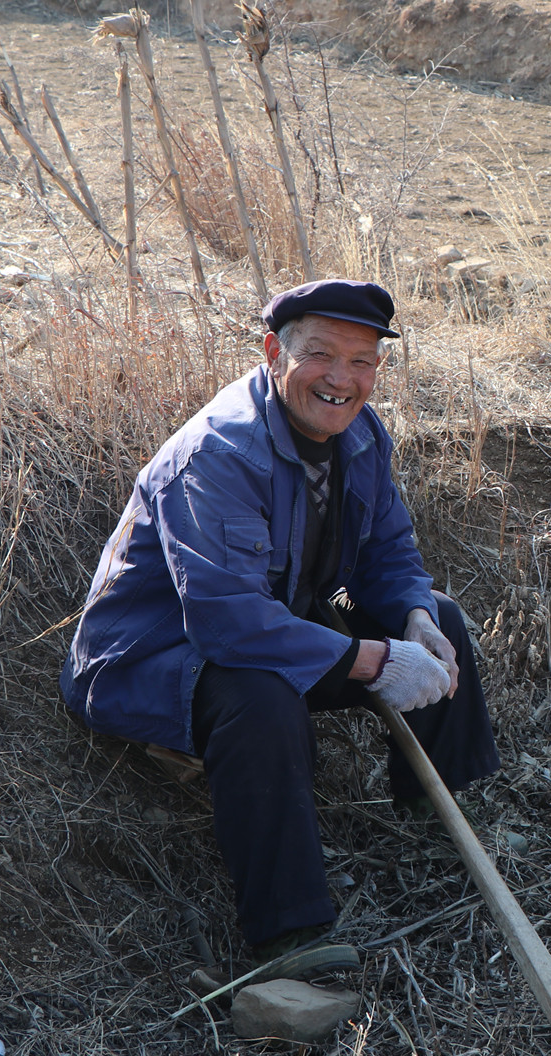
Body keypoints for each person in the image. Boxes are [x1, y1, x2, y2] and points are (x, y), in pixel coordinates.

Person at [60, 279, 500, 962]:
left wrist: (412, 619)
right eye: (321, 355)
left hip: (276, 625)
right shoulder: (218, 454)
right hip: (150, 661)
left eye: (362, 362)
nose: (341, 379)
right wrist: (377, 662)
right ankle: (287, 931)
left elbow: (387, 552)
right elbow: (227, 623)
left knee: (440, 616)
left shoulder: (361, 436)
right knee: (261, 698)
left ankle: (438, 807)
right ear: (273, 351)